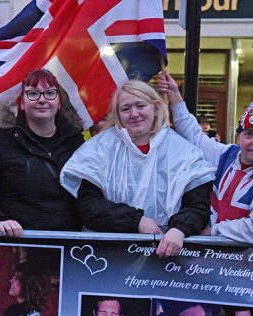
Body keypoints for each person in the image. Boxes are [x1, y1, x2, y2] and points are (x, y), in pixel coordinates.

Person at [60, 80, 214, 257]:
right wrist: (136, 221)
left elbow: (198, 206)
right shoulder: (99, 149)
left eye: (141, 105)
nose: (134, 114)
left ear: (155, 108)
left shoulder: (183, 152)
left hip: (166, 256)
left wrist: (180, 229)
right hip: (108, 255)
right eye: (126, 109)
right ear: (118, 114)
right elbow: (89, 206)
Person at [158, 73, 253, 245]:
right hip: (216, 261)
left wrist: (214, 230)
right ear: (239, 137)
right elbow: (194, 136)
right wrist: (175, 96)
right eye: (249, 133)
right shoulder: (229, 155)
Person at [0, 69, 84, 236]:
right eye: (33, 93)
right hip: (16, 246)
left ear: (59, 102)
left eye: (49, 93)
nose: (42, 100)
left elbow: (89, 196)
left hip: (68, 247)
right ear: (22, 103)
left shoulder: (76, 143)